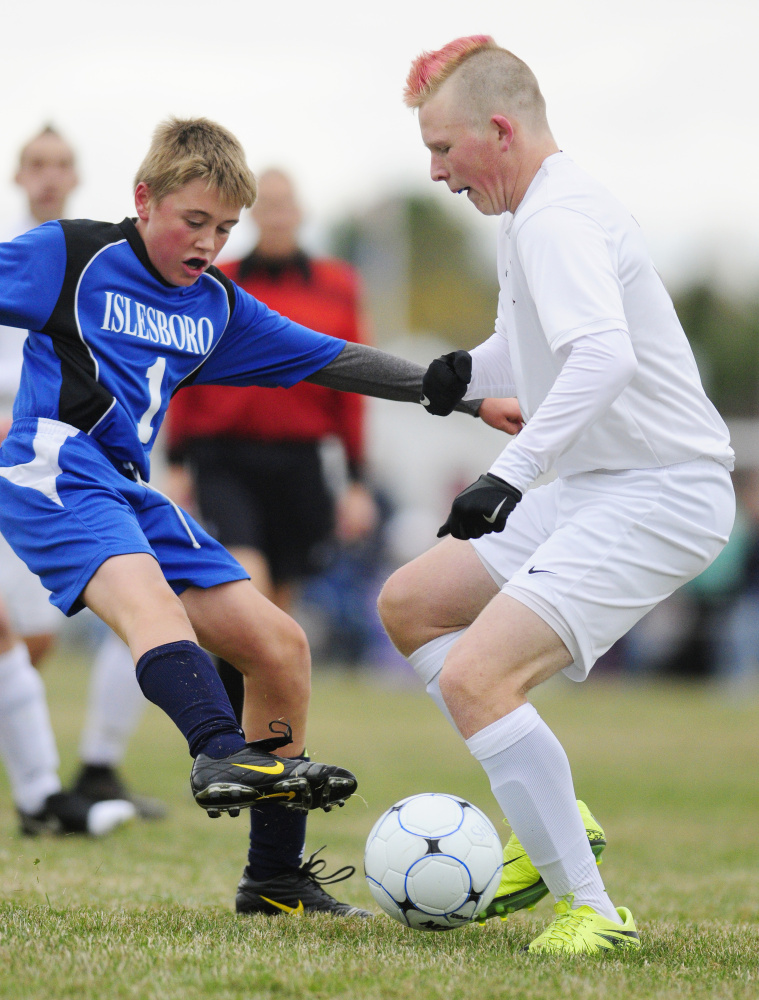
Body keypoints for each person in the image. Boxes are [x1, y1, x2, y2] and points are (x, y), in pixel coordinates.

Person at [0, 116, 511, 914]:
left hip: (129, 487)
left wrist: (465, 397)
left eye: (224, 228)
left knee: (278, 647)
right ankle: (217, 751)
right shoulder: (70, 255)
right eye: (193, 221)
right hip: (53, 470)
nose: (208, 241)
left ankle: (272, 879)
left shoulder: (215, 306)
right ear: (144, 200)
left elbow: (331, 357)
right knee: (151, 608)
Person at [377, 37, 735, 953]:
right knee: (411, 605)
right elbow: (534, 343)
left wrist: (506, 476)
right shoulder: (527, 214)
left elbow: (602, 358)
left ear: (499, 130)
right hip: (592, 485)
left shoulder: (555, 218)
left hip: (658, 492)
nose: (436, 172)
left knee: (475, 677)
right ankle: (547, 811)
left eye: (444, 149)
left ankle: (593, 910)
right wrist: (464, 366)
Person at [165, 168, 377, 709]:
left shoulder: (337, 285)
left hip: (300, 462)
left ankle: (266, 738)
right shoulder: (220, 279)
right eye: (269, 205)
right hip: (225, 456)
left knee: (279, 609)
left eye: (287, 204)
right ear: (255, 215)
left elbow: (350, 388)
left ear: (300, 213)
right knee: (247, 587)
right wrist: (176, 459)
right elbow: (185, 367)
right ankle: (226, 728)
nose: (278, 215)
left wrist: (356, 482)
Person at [0, 125, 148, 834]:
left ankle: (42, 793)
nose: (50, 177)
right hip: (11, 443)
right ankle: (39, 797)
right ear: (18, 176)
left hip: (48, 465)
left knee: (32, 638)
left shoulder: (91, 266)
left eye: (62, 165)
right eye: (37, 165)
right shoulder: (14, 256)